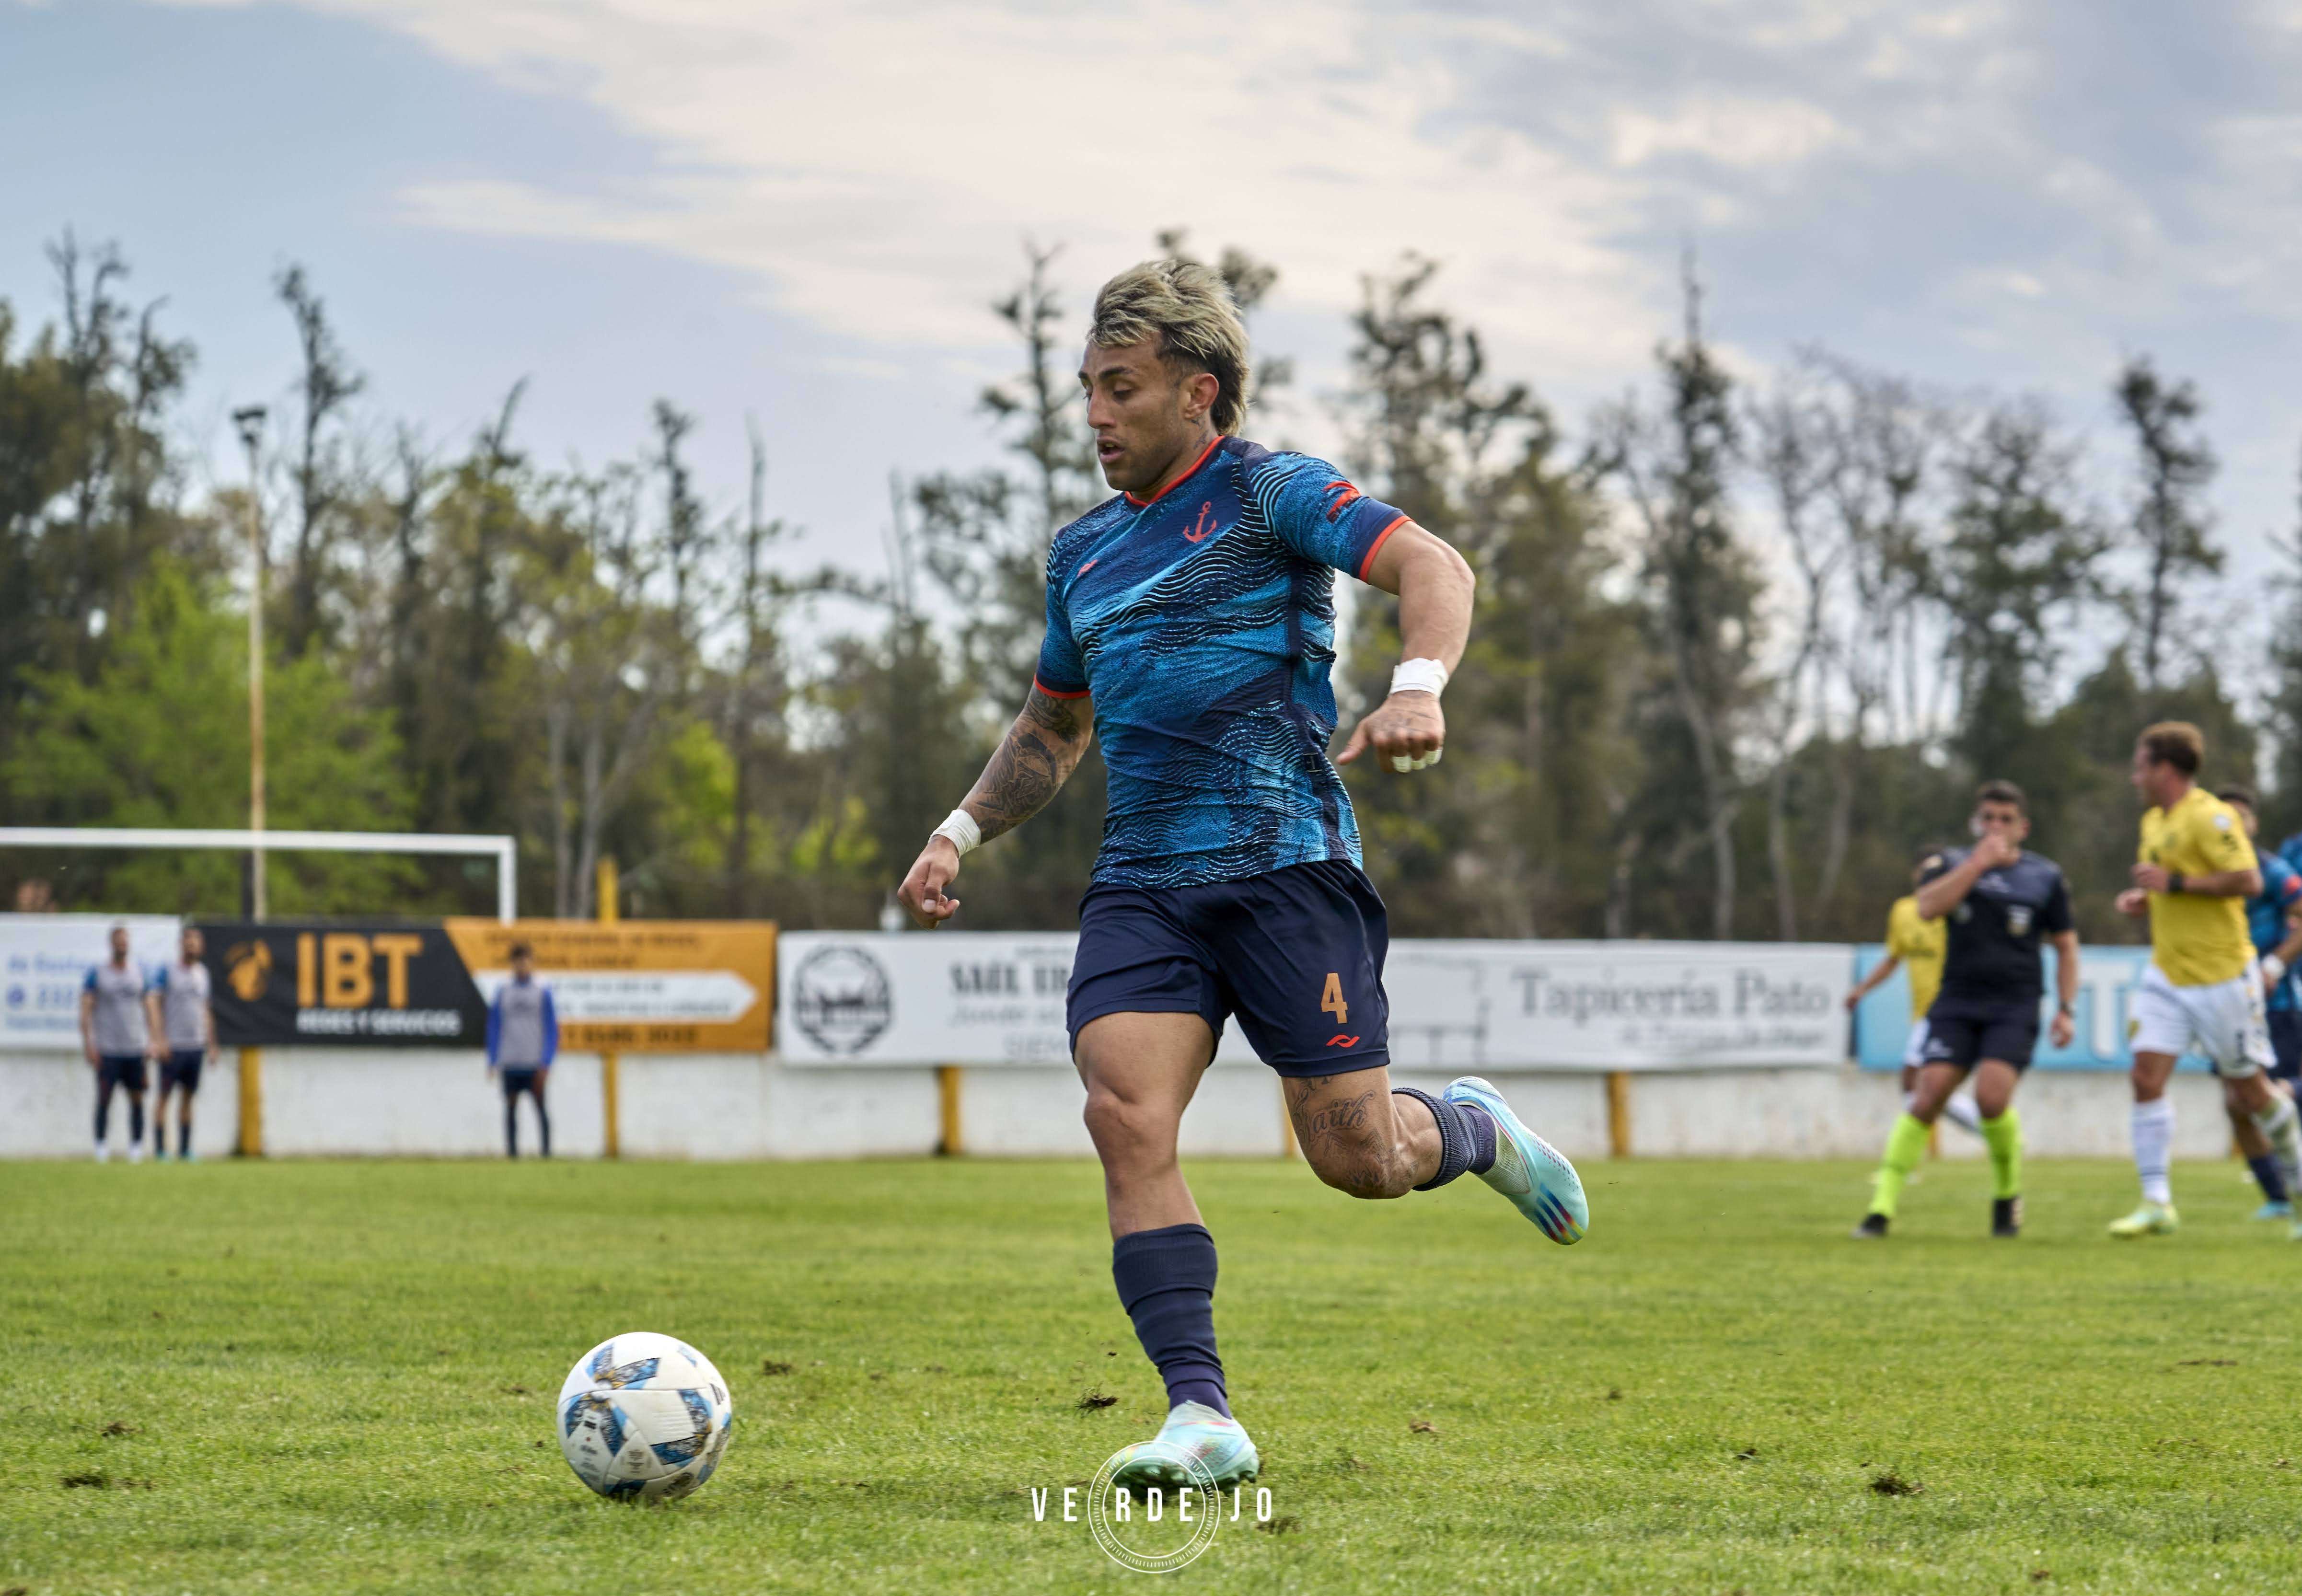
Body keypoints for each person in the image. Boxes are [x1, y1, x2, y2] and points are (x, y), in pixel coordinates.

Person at [895, 259, 1587, 1493]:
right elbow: (1055, 728)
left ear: (1197, 391)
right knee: (1123, 1113)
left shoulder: (1274, 493)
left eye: (1122, 388)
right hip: (1144, 884)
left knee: (1356, 1155)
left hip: (1285, 870)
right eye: (1087, 390)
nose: (1097, 415)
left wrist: (1417, 686)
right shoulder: (1083, 555)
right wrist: (959, 826)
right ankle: (1200, 1413)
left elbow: (1435, 565)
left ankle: (1472, 1125)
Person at [1851, 782, 2077, 1240]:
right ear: (1976, 823)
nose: (1995, 826)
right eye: (1988, 818)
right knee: (1927, 1093)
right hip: (1956, 999)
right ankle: (1879, 1210)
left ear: (2023, 827)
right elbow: (1928, 907)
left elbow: (2067, 947)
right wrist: (1978, 864)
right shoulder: (1950, 864)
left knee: (1991, 1099)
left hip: (2014, 1004)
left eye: (2005, 819)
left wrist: (2066, 1008)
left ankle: (2006, 1198)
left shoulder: (2045, 878)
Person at [2110, 723, 2302, 1238]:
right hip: (2168, 973)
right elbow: (2166, 885)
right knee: (2145, 1077)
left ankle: (2299, 1184)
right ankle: (2157, 1203)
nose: (2135, 777)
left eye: (2141, 765)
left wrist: (2176, 884)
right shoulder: (2154, 821)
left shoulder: (2211, 816)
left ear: (2165, 769)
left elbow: (2248, 880)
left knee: (2252, 1093)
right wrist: (2147, 898)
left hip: (2222, 978)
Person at [2205, 785, 2302, 1219]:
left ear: (2254, 823)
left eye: (2241, 816)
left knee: (2273, 1092)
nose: (2234, 825)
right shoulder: (2203, 870)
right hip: (2219, 999)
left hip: (2273, 1004)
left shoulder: (2274, 870)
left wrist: (2273, 968)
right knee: (2233, 1102)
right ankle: (2277, 1198)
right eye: (2225, 817)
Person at [1843, 844, 1983, 1138]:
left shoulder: (1959, 910)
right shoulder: (1904, 911)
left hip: (1948, 1008)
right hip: (1923, 1011)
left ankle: (1988, 1131)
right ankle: (1990, 1130)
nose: (1928, 874)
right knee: (1921, 1087)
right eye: (1925, 868)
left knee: (1915, 1083)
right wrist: (1862, 989)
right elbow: (1894, 958)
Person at [80, 924, 160, 1164]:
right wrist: (89, 1045)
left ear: (129, 944)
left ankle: (136, 1147)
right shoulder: (98, 974)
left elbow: (151, 1009)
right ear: (111, 944)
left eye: (125, 941)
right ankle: (101, 1146)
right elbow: (86, 1011)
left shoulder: (139, 973)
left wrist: (154, 1041)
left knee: (137, 1099)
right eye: (118, 941)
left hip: (135, 1049)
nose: (122, 945)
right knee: (104, 1098)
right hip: (108, 1049)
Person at [150, 925, 215, 1162]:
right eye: (188, 941)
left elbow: (206, 1010)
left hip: (196, 1046)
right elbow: (154, 1005)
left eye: (196, 941)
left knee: (188, 1098)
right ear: (181, 944)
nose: (192, 945)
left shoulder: (203, 974)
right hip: (173, 1046)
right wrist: (160, 1040)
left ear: (202, 946)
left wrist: (212, 1044)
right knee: (164, 1097)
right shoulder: (168, 971)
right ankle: (160, 1149)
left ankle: (185, 1149)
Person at [486, 942, 557, 1158]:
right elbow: (494, 1027)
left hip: (534, 1062)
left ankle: (546, 1153)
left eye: (526, 960)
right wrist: (492, 1060)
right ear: (513, 963)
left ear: (531, 962)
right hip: (510, 1061)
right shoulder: (503, 992)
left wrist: (546, 1061)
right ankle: (512, 1153)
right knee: (510, 1108)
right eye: (518, 961)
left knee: (540, 1108)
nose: (522, 965)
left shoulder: (542, 992)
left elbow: (551, 1028)